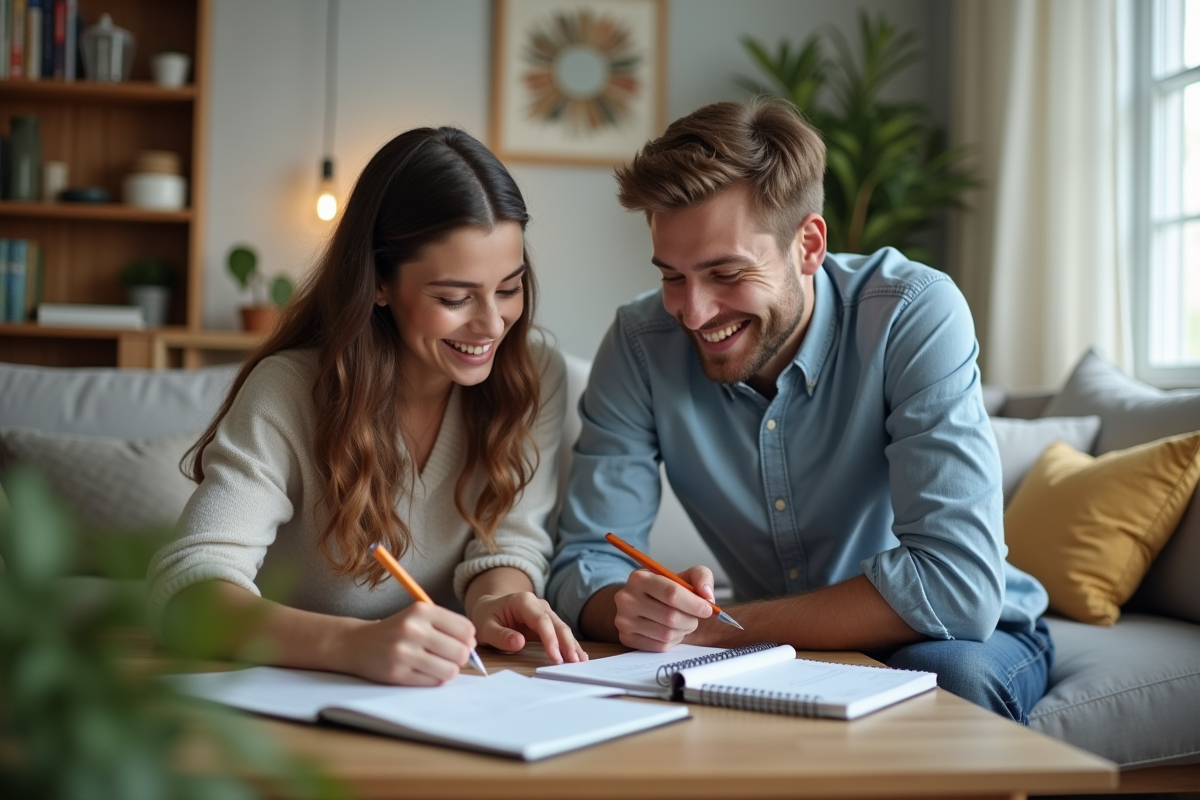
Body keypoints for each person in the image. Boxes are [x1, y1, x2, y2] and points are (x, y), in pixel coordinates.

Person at [547, 98, 1053, 723]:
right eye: (672, 277)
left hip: (959, 637)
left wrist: (715, 632)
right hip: (777, 644)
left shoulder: (912, 312)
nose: (694, 312)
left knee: (946, 682)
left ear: (808, 245)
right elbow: (583, 564)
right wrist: (626, 604)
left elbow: (956, 589)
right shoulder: (639, 341)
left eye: (726, 273)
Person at [148, 127, 586, 686]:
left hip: (443, 702)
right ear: (380, 282)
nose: (493, 324)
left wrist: (497, 597)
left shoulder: (533, 374)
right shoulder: (288, 390)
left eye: (509, 288)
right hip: (300, 703)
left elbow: (508, 542)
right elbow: (186, 594)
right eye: (454, 298)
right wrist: (350, 644)